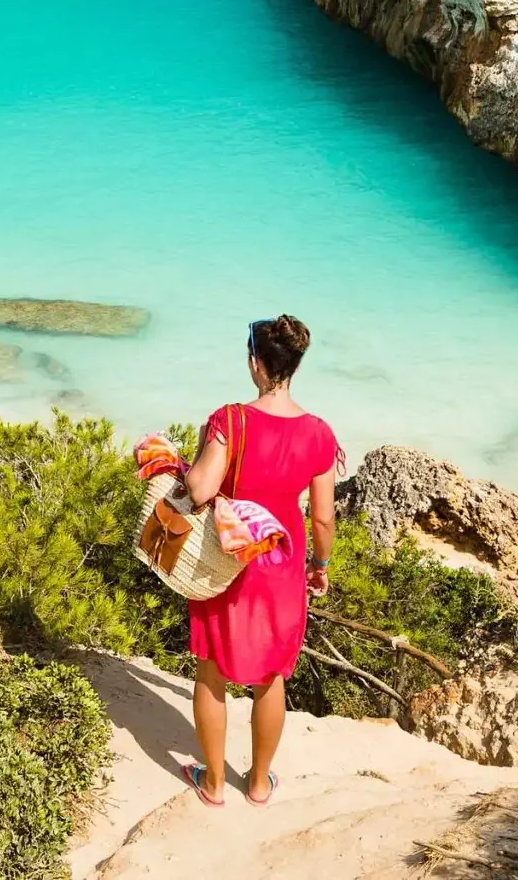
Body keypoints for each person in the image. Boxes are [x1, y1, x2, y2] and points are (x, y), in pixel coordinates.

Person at [181, 315, 337, 808]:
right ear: (293, 366)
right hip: (282, 563)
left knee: (212, 669)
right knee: (272, 677)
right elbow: (324, 519)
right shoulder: (319, 433)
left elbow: (202, 488)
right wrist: (320, 564)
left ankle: (211, 784)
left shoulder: (231, 420)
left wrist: (183, 469)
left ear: (255, 363)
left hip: (228, 562)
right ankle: (258, 783)